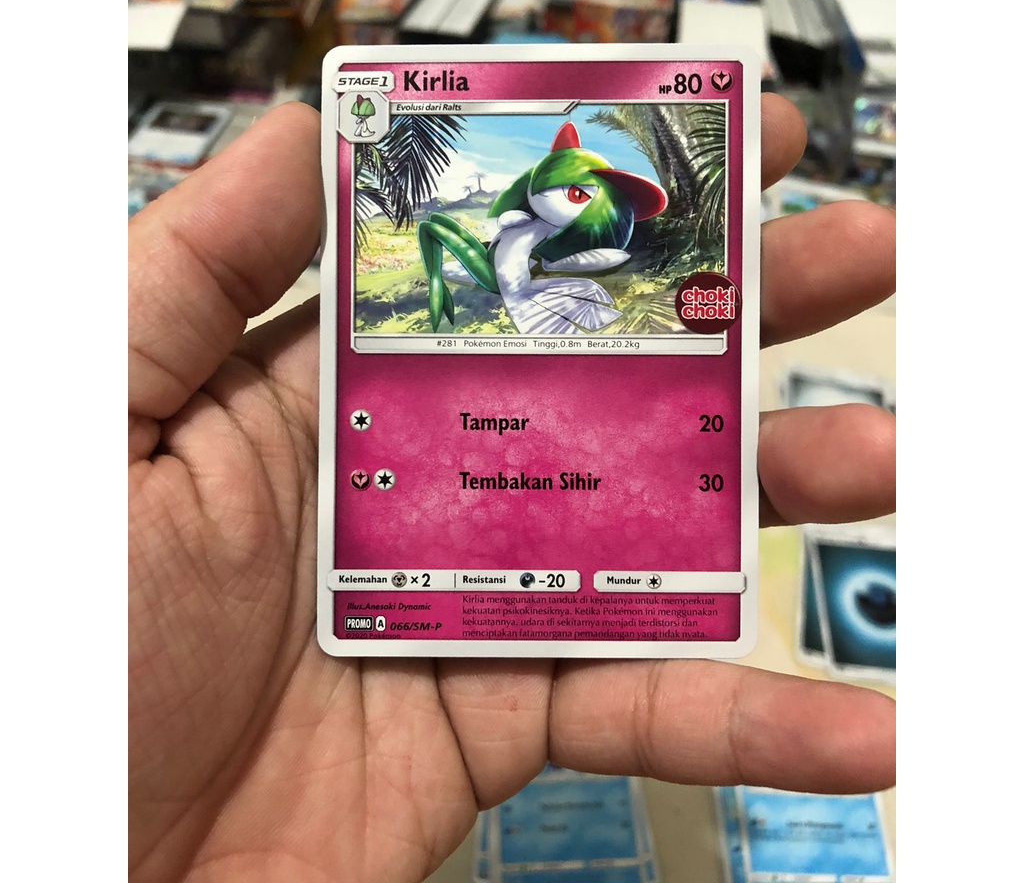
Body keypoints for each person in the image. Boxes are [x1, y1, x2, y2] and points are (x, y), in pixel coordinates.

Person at [128, 98, 896, 882]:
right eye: (578, 192)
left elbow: (595, 274)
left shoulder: (582, 259)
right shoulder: (508, 232)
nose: (591, 210)